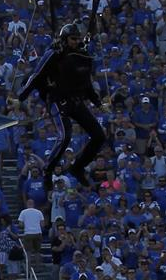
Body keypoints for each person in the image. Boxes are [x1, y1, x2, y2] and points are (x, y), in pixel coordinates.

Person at [22, 24, 109, 184]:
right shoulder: (54, 54)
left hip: (75, 101)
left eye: (77, 39)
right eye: (72, 39)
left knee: (99, 136)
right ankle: (48, 170)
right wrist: (20, 98)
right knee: (65, 136)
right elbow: (36, 76)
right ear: (65, 39)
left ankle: (78, 167)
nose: (76, 42)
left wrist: (97, 103)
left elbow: (86, 83)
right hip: (57, 100)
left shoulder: (81, 57)